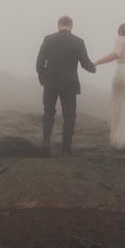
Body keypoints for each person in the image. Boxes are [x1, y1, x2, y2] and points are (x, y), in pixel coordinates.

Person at [36, 16, 97, 157]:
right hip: (69, 83)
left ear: (58, 25)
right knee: (69, 117)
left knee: (48, 112)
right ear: (71, 26)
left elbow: (39, 62)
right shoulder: (78, 41)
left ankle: (46, 141)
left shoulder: (48, 39)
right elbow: (85, 63)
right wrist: (93, 68)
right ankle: (66, 150)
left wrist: (43, 77)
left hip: (50, 82)